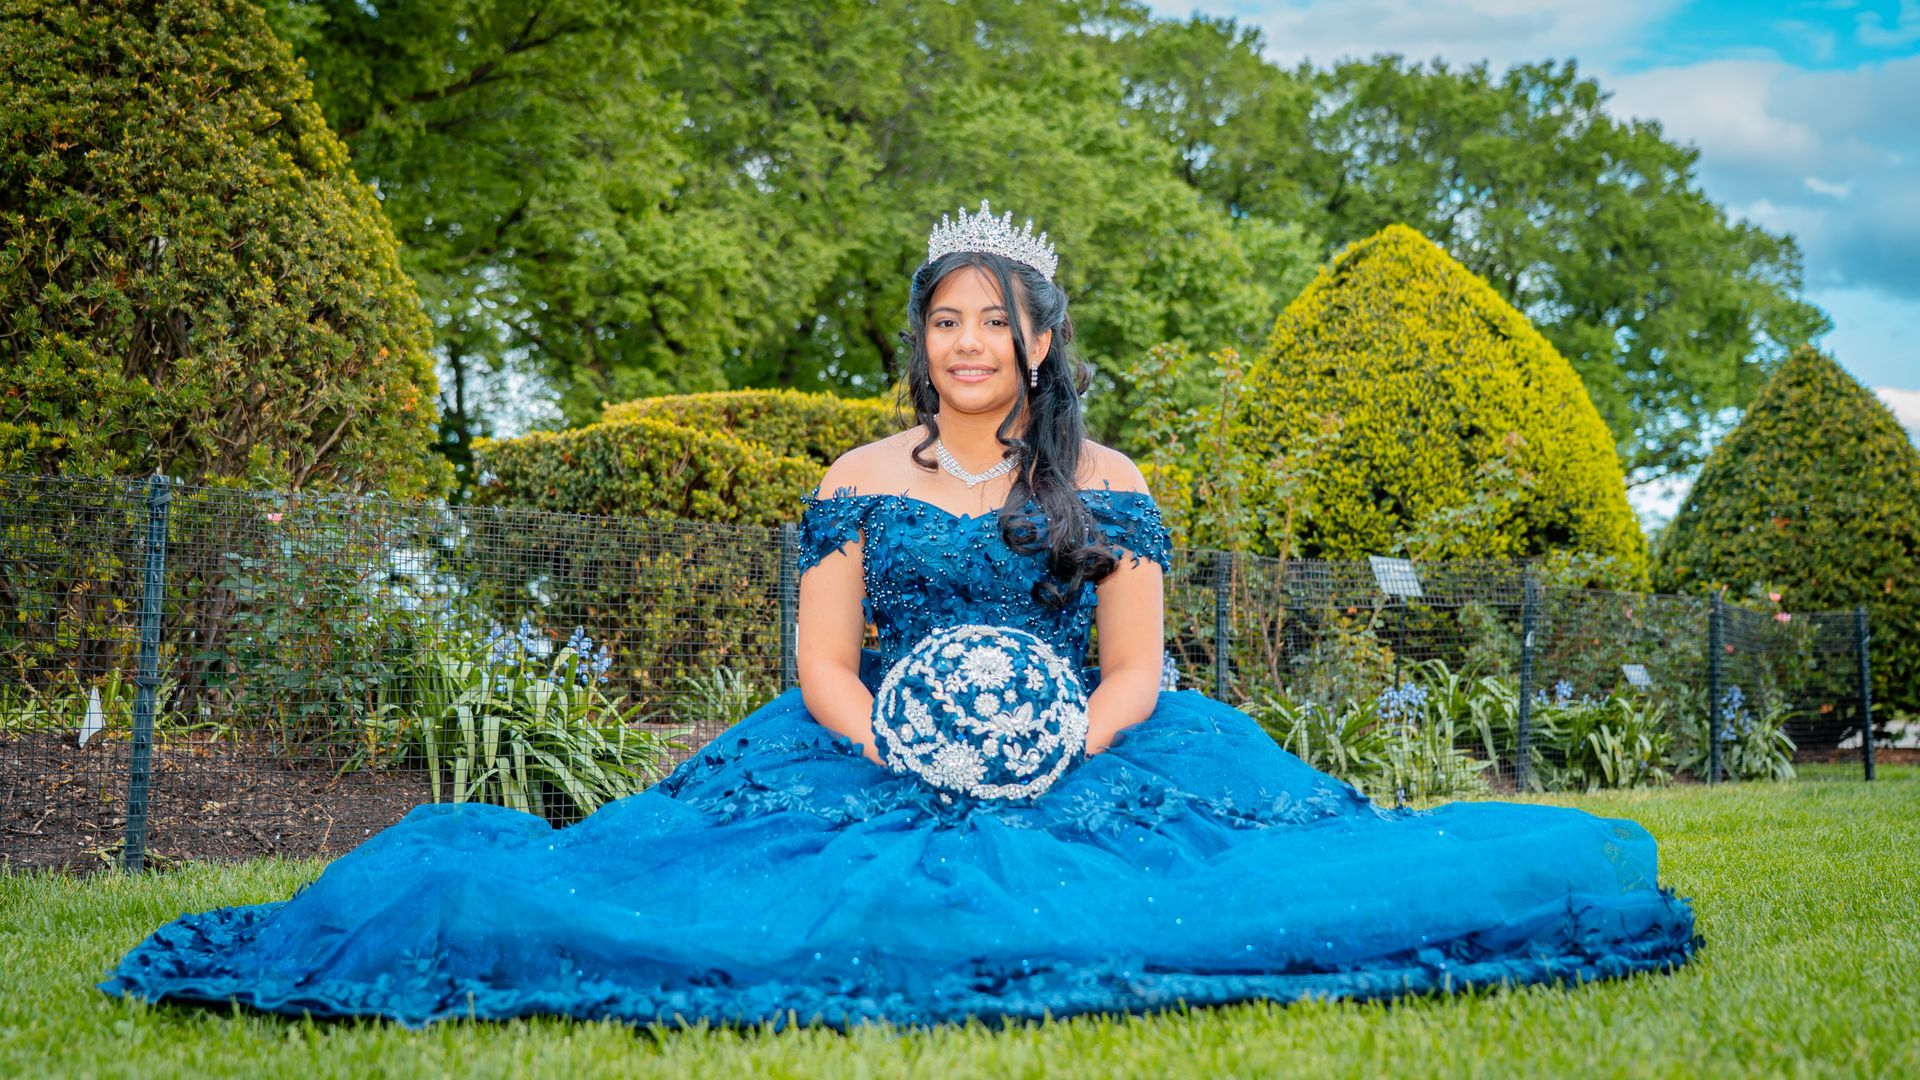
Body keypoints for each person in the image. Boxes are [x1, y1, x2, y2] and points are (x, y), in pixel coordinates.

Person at [101, 203, 1696, 1029]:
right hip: (862, 746)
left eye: (995, 324)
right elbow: (817, 662)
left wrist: (1054, 743)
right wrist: (908, 742)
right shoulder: (856, 476)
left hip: (1092, 751)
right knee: (669, 897)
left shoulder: (1111, 480)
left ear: (1041, 341)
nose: (968, 345)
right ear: (922, 342)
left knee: (1248, 890)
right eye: (946, 323)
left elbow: (1139, 670)